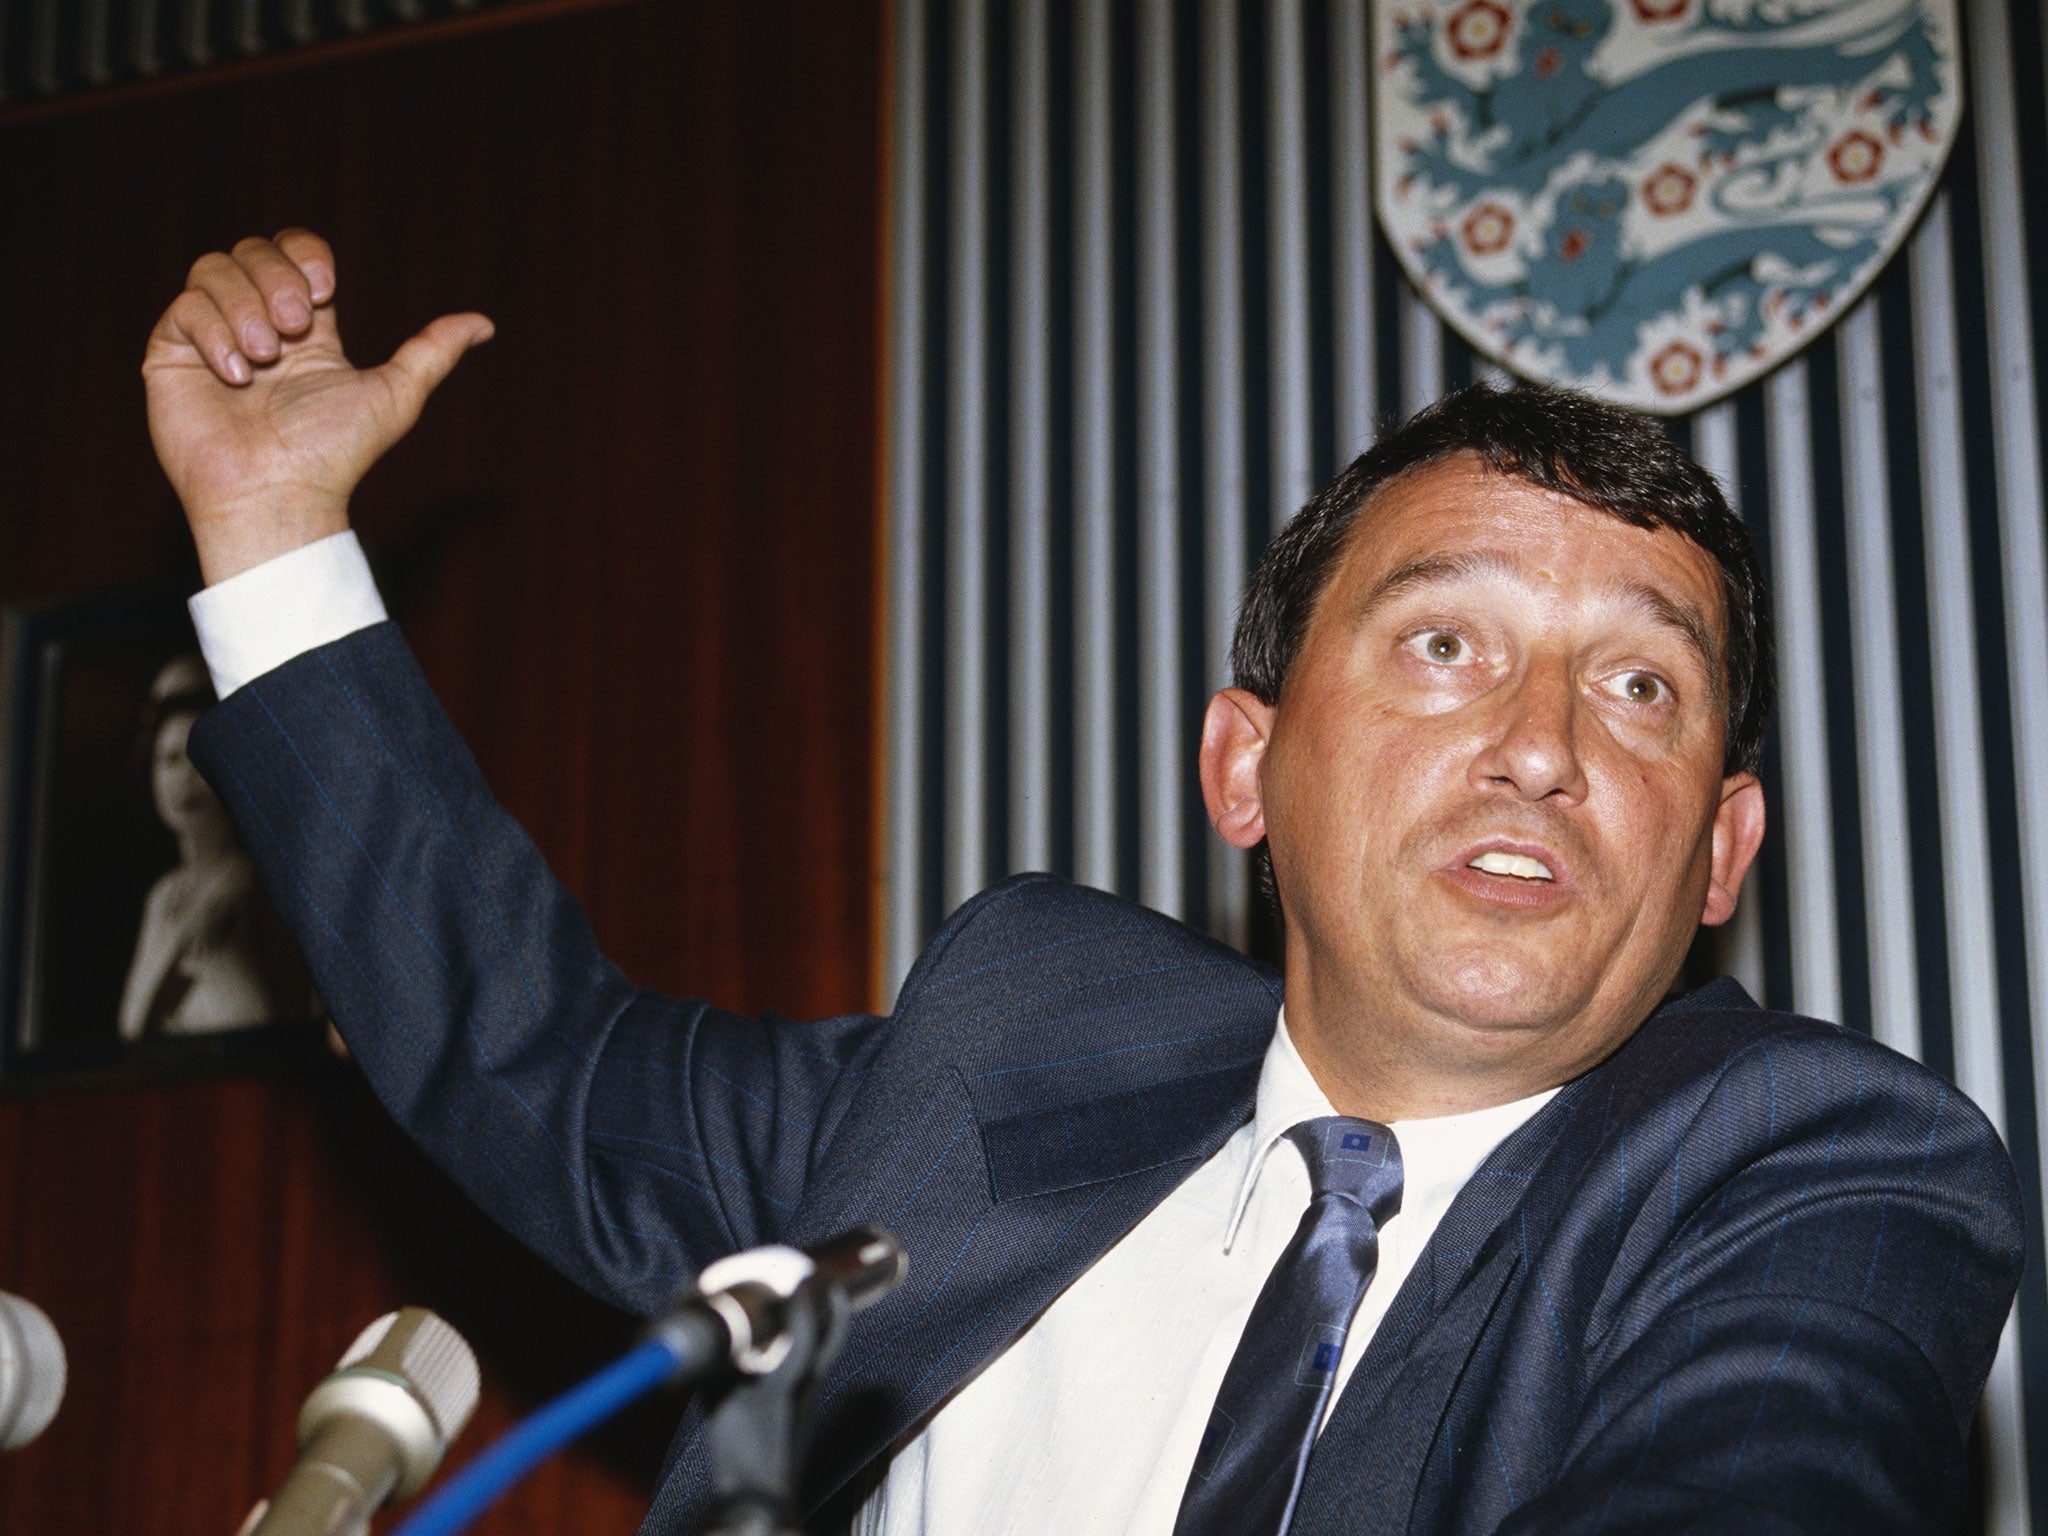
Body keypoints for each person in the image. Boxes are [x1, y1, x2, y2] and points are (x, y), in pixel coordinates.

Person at [143, 231, 2022, 1536]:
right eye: (1442, 646)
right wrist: (272, 534)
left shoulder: (1817, 1172)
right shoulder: (1003, 1047)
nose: (1540, 740)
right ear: (1242, 767)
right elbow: (526, 1050)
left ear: (1719, 853)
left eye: (1637, 685)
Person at [118, 655, 310, 1037]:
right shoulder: (163, 897)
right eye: (169, 760)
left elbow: (268, 1020)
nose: (184, 779)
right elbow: (132, 1030)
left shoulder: (252, 883)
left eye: (200, 759)